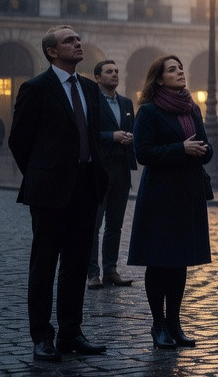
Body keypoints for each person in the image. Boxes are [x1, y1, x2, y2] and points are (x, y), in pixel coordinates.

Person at [9, 25, 109, 362]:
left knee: (77, 264)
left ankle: (71, 331)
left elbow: (92, 136)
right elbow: (19, 141)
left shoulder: (89, 89)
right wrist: (41, 174)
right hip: (49, 190)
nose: (78, 43)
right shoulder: (36, 88)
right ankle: (41, 336)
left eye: (78, 39)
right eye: (69, 40)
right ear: (53, 52)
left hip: (85, 187)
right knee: (44, 264)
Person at [127, 55, 213, 349]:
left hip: (187, 195)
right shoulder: (149, 112)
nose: (180, 73)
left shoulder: (193, 109)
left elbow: (204, 145)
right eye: (172, 70)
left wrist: (205, 148)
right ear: (159, 79)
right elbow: (144, 153)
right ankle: (158, 325)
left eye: (181, 68)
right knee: (160, 262)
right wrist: (181, 148)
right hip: (160, 196)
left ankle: (175, 323)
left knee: (180, 263)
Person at [88, 59, 136, 289]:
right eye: (109, 71)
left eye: (116, 71)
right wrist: (112, 136)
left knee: (115, 224)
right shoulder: (92, 101)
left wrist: (129, 137)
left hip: (122, 170)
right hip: (99, 170)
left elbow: (131, 129)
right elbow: (88, 134)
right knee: (94, 225)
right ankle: (92, 274)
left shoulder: (126, 103)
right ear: (98, 77)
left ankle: (111, 270)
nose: (114, 74)